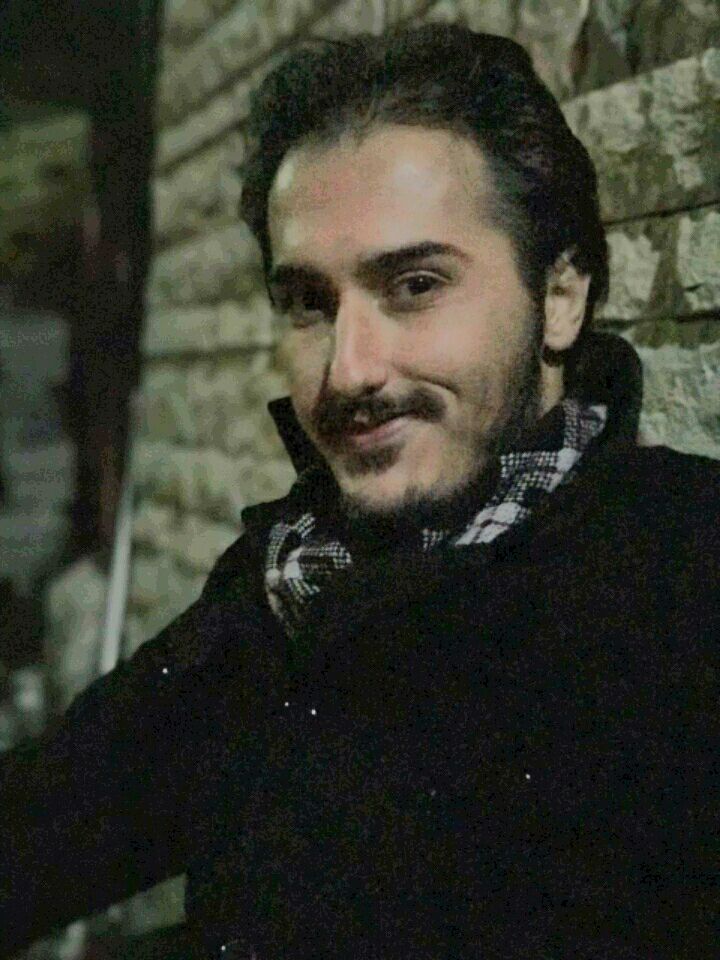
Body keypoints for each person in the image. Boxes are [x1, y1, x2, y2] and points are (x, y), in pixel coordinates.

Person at [1, 24, 718, 960]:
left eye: (415, 284)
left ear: (560, 297)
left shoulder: (684, 577)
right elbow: (43, 826)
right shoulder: (288, 581)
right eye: (308, 302)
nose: (349, 371)